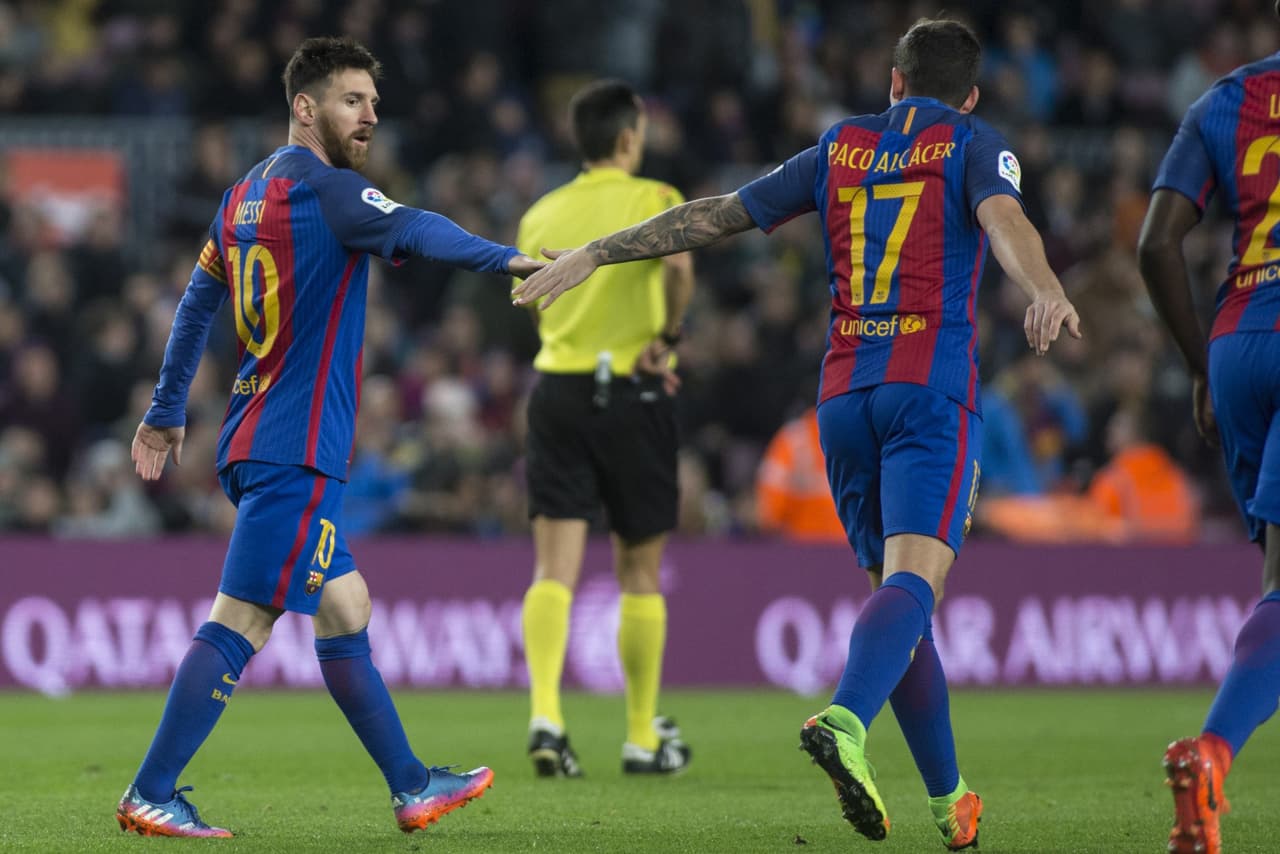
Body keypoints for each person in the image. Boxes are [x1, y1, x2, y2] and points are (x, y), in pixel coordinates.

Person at [514, 18, 1081, 849]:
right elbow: (1005, 221)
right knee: (914, 587)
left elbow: (716, 216)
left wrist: (597, 252)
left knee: (897, 603)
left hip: (844, 398)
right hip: (928, 388)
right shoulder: (973, 142)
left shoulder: (840, 146)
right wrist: (1046, 289)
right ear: (969, 96)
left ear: (894, 82)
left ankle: (949, 799)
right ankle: (845, 720)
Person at [116, 36, 542, 838]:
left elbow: (196, 303)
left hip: (253, 436)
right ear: (305, 108)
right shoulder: (330, 191)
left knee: (346, 607)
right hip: (296, 449)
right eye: (353, 101)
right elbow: (417, 227)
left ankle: (412, 785)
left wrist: (168, 408)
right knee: (244, 619)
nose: (370, 116)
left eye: (374, 102)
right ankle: (151, 790)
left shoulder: (241, 197)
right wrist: (511, 261)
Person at [515, 79, 695, 777]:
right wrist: (667, 338)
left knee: (552, 569)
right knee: (639, 571)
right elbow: (678, 268)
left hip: (557, 390)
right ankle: (642, 735)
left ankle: (546, 718)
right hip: (633, 389)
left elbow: (530, 298)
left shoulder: (540, 212)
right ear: (628, 138)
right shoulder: (655, 197)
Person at [1138, 5, 1280, 850]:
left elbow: (1157, 243)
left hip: (1238, 346)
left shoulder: (1225, 100)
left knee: (1278, 581)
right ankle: (1214, 753)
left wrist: (1198, 365)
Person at [755, 407, 847, 542]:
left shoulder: (791, 439)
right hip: (848, 546)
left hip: (800, 545)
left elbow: (770, 513)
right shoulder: (860, 434)